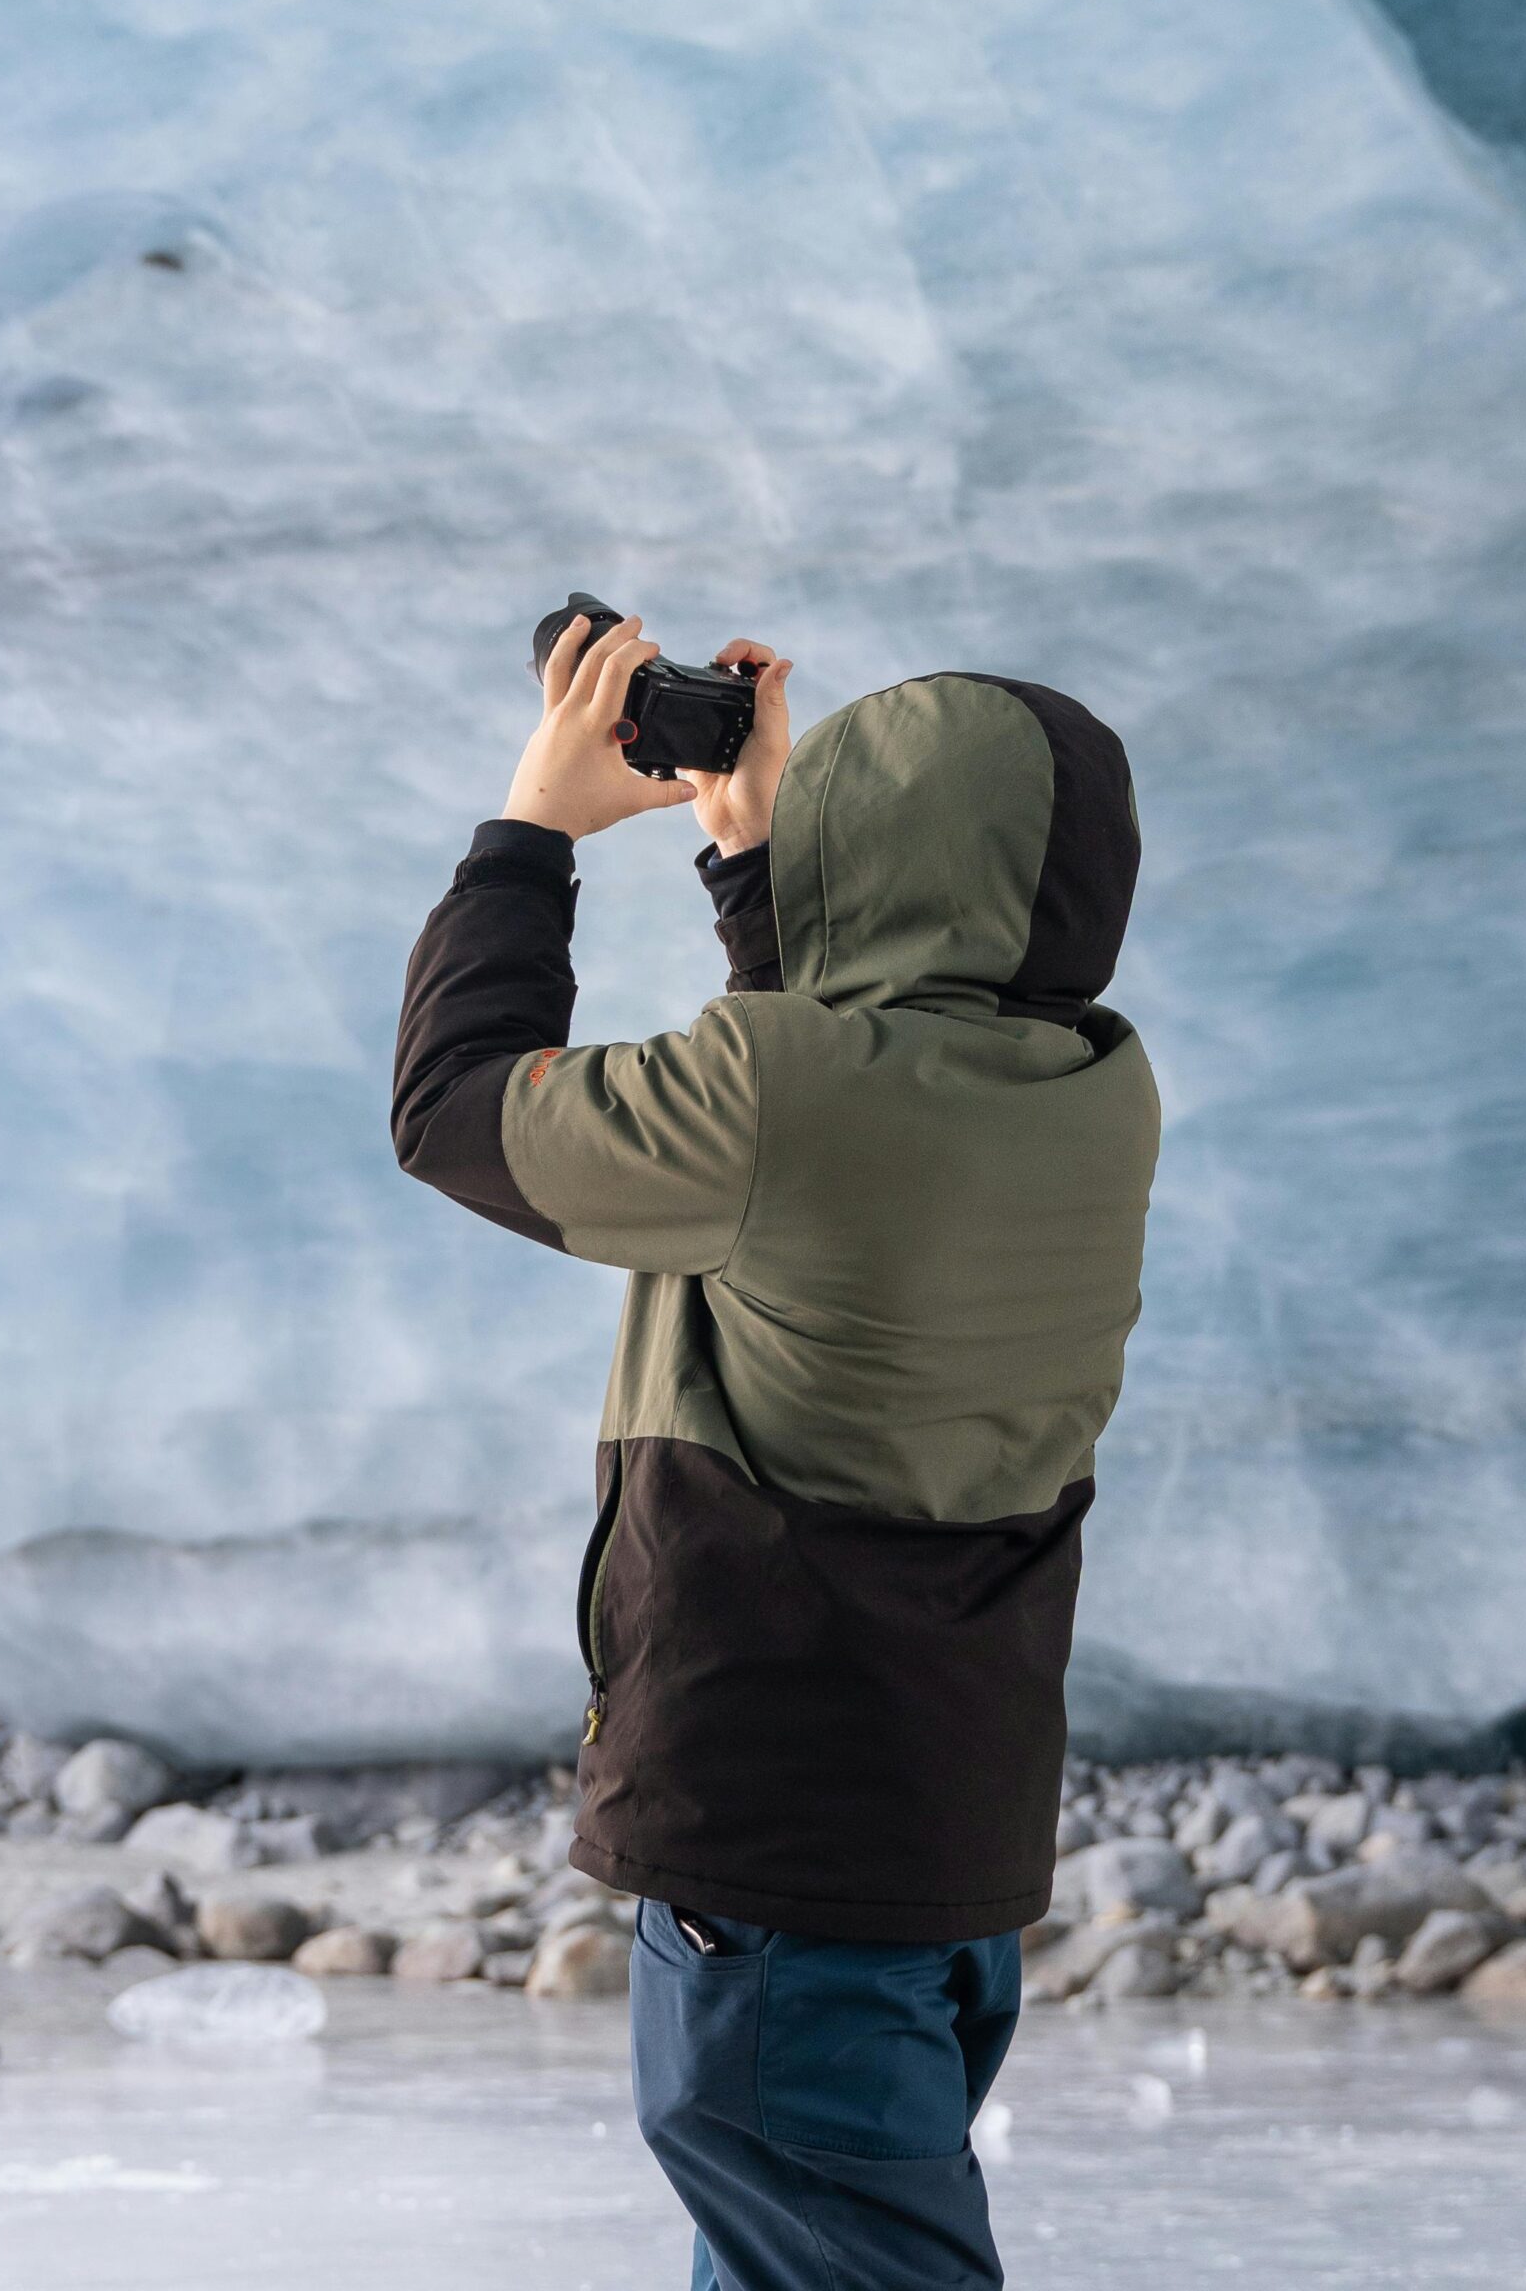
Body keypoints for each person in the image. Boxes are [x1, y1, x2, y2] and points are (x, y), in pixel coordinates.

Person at [391, 611, 1159, 2291]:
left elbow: (454, 1109)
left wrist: (532, 831)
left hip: (779, 1835)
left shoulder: (782, 1095)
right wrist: (756, 877)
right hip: (945, 1836)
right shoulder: (1098, 1085)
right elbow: (842, 1083)